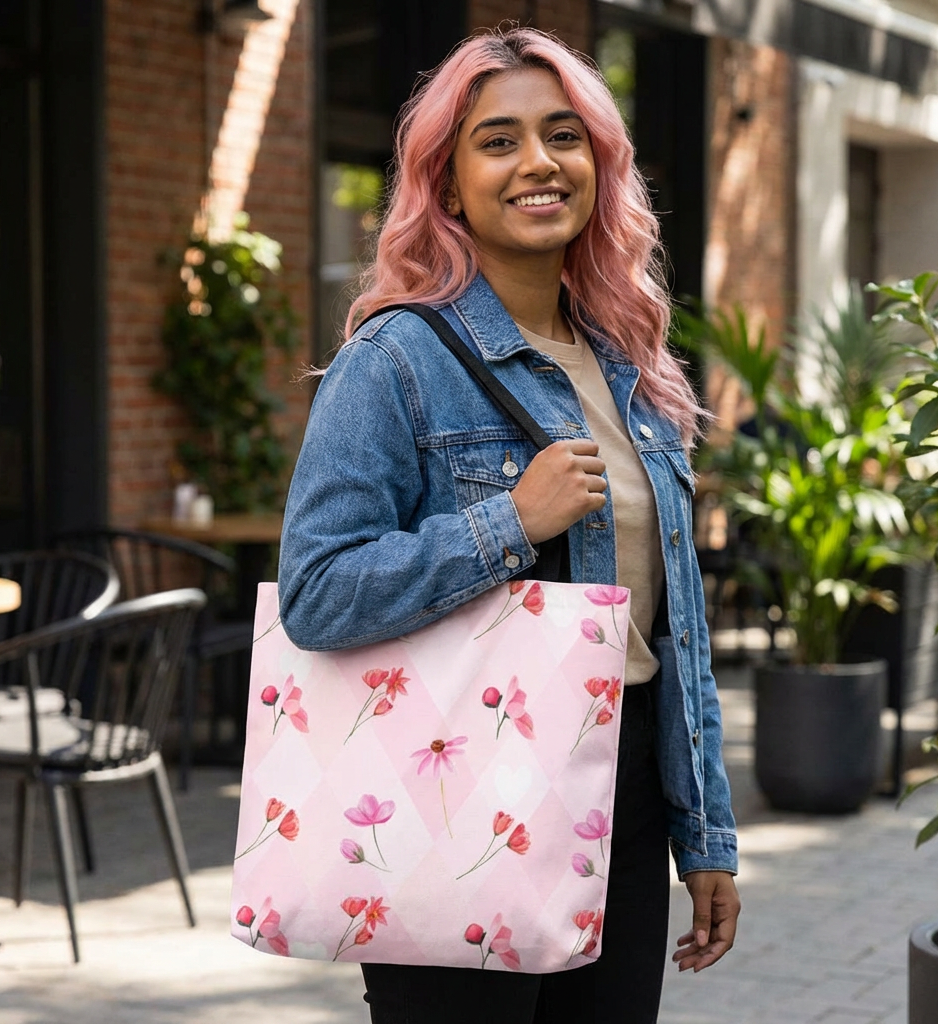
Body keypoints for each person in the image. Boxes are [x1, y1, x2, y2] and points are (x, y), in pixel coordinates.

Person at [278, 26, 739, 1024]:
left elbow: (673, 630)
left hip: (624, 785)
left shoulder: (633, 368)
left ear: (597, 164)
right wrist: (506, 522)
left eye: (563, 134)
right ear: (446, 184)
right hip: (464, 788)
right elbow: (317, 592)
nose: (538, 162)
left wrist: (704, 838)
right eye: (497, 140)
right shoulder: (395, 359)